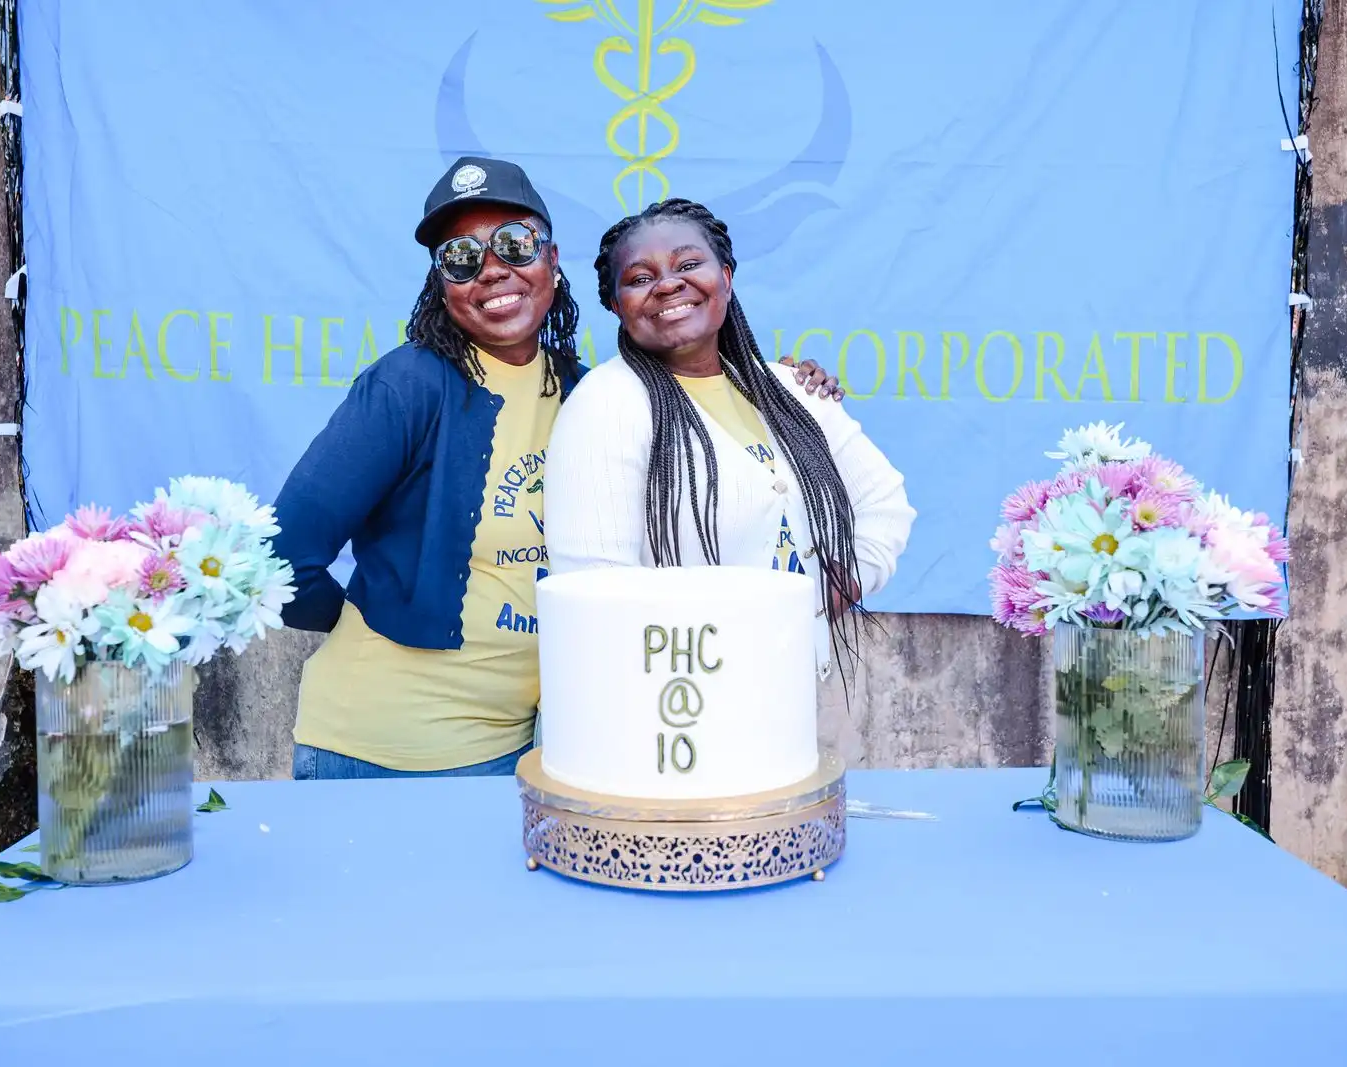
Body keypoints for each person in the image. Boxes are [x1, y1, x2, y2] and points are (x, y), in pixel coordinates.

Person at [273, 160, 844, 779]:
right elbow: (281, 559)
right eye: (461, 257)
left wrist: (790, 388)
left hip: (530, 749)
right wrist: (380, 615)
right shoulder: (407, 386)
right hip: (382, 752)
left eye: (515, 244)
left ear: (551, 258)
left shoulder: (591, 395)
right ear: (443, 283)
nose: (493, 268)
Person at [544, 198, 916, 677]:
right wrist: (729, 640)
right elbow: (595, 589)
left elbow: (884, 505)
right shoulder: (606, 404)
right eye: (640, 278)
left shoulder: (790, 390)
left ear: (725, 276)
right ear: (617, 305)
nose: (668, 284)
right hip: (673, 702)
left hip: (787, 692)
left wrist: (817, 600)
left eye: (688, 265)